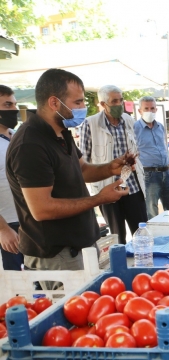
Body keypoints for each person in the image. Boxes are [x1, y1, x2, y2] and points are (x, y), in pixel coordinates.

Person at [5, 69, 130, 277]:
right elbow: (42, 209)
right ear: (54, 103)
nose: (83, 108)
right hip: (57, 255)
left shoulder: (62, 132)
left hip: (80, 246)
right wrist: (99, 198)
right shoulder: (30, 144)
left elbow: (82, 170)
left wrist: (111, 167)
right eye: (78, 102)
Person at [78, 85, 147, 245]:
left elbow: (135, 148)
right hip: (108, 188)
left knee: (142, 233)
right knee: (117, 238)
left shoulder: (129, 120)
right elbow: (83, 161)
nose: (119, 104)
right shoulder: (90, 124)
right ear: (103, 104)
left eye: (121, 100)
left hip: (132, 187)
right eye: (114, 101)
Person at [134, 96, 169, 220]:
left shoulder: (160, 127)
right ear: (140, 111)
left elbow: (164, 147)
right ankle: (155, 237)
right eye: (146, 108)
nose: (150, 111)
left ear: (156, 110)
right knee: (151, 211)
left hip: (166, 172)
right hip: (149, 174)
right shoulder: (135, 128)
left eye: (152, 108)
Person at [0, 85, 23, 270]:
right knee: (16, 286)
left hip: (27, 222)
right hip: (7, 225)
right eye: (7, 105)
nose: (14, 110)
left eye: (15, 104)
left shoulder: (15, 136)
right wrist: (3, 229)